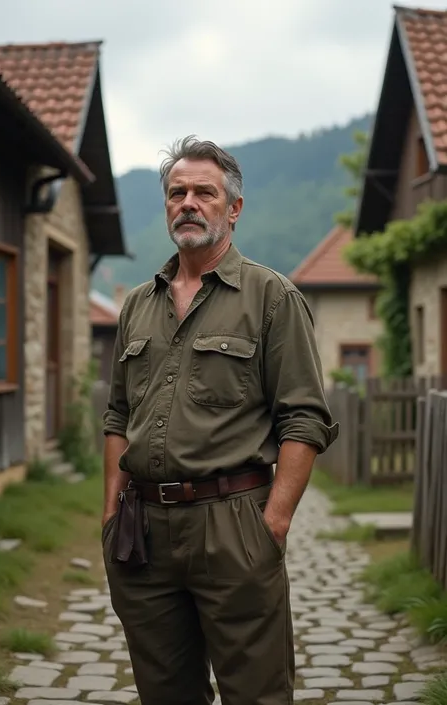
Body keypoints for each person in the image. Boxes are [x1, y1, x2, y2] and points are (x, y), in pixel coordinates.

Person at [101, 135, 339, 705]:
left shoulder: (272, 297)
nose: (188, 202)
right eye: (176, 192)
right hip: (143, 534)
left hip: (234, 526)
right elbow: (117, 414)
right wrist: (110, 513)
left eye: (204, 192)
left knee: (256, 692)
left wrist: (272, 523)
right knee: (164, 693)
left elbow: (304, 418)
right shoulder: (137, 304)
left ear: (232, 208)